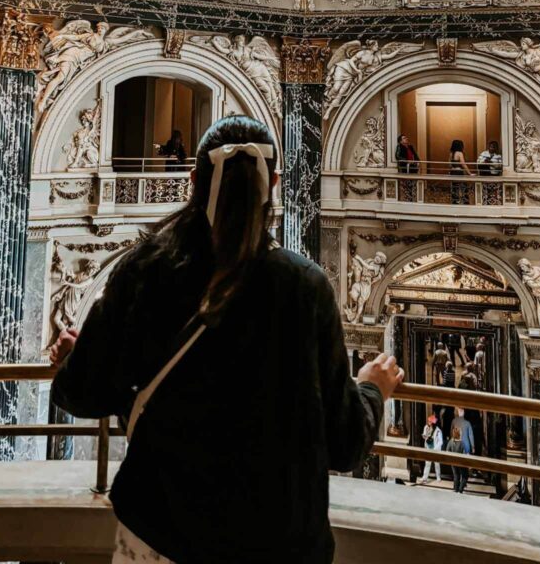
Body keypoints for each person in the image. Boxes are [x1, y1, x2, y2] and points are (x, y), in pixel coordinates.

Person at [49, 115, 404, 564]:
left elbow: (84, 394)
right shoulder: (304, 286)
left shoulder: (144, 270)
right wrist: (372, 387)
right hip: (275, 544)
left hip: (158, 533)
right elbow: (344, 442)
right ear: (273, 184)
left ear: (194, 180)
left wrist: (71, 362)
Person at [447, 408, 475, 493]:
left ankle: (456, 488)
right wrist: (473, 446)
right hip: (465, 448)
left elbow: (450, 432)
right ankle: (461, 486)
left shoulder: (454, 421)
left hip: (454, 448)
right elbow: (471, 436)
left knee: (456, 473)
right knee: (464, 470)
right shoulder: (468, 423)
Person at [420, 414, 443, 484]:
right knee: (427, 463)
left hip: (435, 449)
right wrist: (425, 436)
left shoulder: (438, 431)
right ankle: (424, 478)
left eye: (430, 422)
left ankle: (438, 477)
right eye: (428, 421)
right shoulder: (426, 427)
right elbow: (424, 434)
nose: (428, 423)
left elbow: (440, 441)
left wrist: (436, 448)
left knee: (437, 464)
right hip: (428, 448)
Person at [449, 139, 472, 205]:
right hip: (459, 172)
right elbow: (463, 164)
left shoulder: (451, 153)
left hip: (452, 172)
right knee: (464, 187)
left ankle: (455, 201)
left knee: (454, 187)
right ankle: (465, 202)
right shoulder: (459, 153)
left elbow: (449, 165)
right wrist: (469, 173)